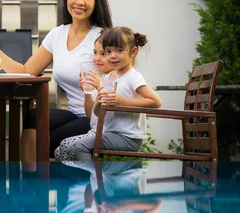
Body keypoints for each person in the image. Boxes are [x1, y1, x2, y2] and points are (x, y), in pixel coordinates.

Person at [0, 0, 113, 166]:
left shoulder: (103, 38)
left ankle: (38, 185)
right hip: (74, 113)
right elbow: (26, 71)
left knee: (46, 141)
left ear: (97, 2)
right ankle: (30, 186)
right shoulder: (57, 35)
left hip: (97, 116)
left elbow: (118, 79)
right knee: (33, 118)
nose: (80, 1)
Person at [54, 26, 163, 161]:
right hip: (108, 133)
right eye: (108, 51)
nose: (113, 56)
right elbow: (97, 114)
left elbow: (156, 101)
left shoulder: (132, 77)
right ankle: (83, 179)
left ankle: (93, 179)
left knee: (77, 147)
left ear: (133, 52)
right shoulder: (109, 78)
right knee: (61, 149)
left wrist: (123, 101)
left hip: (127, 137)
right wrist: (92, 96)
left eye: (119, 50)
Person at [54, 33, 108, 160]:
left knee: (65, 146)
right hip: (94, 129)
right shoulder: (101, 78)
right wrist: (87, 92)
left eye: (103, 54)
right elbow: (90, 114)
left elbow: (107, 114)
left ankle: (91, 176)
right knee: (59, 150)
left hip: (106, 131)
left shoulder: (113, 81)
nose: (96, 58)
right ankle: (82, 177)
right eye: (95, 53)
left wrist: (99, 87)